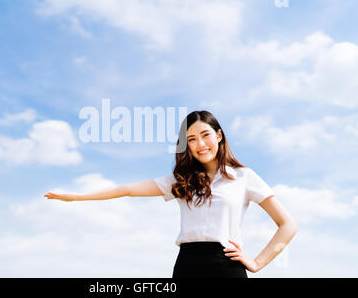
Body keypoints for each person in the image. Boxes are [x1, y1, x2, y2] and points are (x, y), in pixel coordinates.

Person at [44, 110, 298, 278]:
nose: (200, 144)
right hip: (187, 264)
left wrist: (256, 263)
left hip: (226, 266)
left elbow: (287, 225)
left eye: (205, 135)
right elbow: (127, 189)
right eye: (191, 139)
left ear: (219, 136)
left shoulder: (244, 177)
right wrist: (75, 197)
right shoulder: (181, 180)